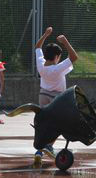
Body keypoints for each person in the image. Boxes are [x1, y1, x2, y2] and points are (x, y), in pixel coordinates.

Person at [33, 26, 79, 164]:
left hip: (43, 95)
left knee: (45, 123)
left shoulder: (41, 64)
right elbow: (74, 57)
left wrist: (46, 34)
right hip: (57, 99)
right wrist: (65, 41)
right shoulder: (58, 68)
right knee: (59, 125)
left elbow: (37, 47)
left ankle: (39, 150)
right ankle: (49, 146)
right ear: (57, 57)